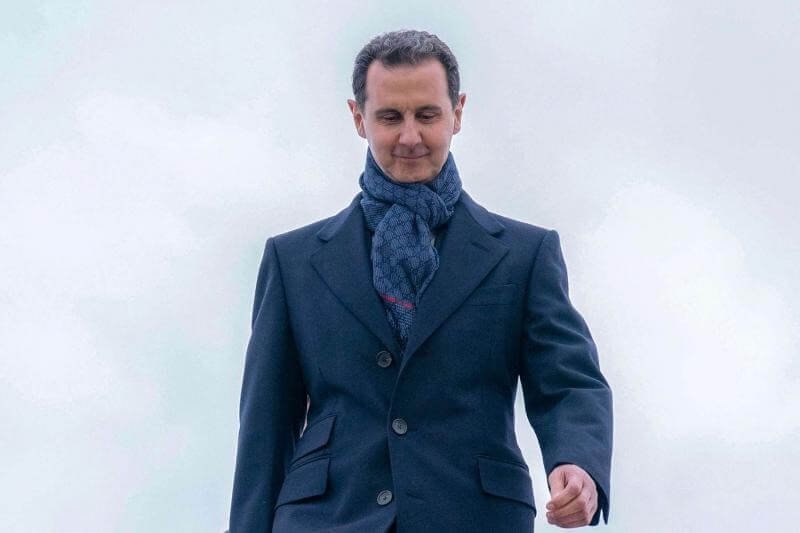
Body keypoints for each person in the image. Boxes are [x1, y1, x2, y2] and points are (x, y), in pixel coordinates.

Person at [228, 29, 612, 532]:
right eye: (390, 117)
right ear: (358, 118)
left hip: (474, 516)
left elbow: (568, 380)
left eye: (427, 115)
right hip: (326, 518)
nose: (410, 137)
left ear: (458, 112)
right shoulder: (293, 260)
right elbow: (265, 428)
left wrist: (579, 463)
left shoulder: (524, 255)